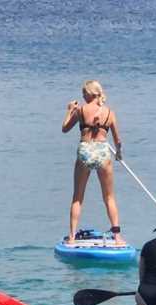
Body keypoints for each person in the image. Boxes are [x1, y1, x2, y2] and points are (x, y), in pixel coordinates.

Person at [61, 80, 125, 245]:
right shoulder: (110, 113)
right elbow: (118, 140)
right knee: (109, 197)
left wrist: (69, 111)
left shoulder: (80, 110)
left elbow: (65, 128)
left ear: (91, 94)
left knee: (77, 197)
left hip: (85, 151)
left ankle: (72, 236)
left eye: (84, 93)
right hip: (103, 152)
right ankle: (117, 237)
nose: (82, 96)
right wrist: (118, 153)